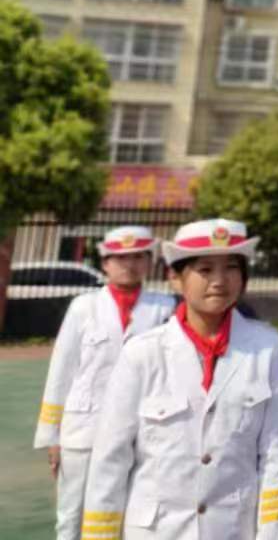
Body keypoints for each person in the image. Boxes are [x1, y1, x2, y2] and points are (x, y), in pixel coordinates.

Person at [81, 218, 278, 539]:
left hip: (232, 530)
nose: (220, 281)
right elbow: (111, 458)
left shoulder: (265, 348)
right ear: (176, 279)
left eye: (232, 268)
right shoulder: (142, 353)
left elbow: (276, 454)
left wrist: (273, 534)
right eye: (205, 269)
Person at [35, 226, 175, 540]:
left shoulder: (165, 308)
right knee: (72, 514)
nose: (129, 264)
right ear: (105, 263)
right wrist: (52, 436)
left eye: (138, 256)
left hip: (143, 430)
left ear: (149, 261)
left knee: (135, 513)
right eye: (120, 258)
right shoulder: (83, 308)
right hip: (84, 429)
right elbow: (61, 372)